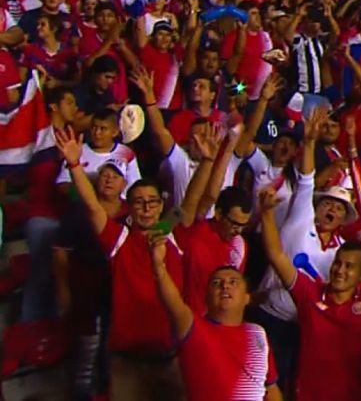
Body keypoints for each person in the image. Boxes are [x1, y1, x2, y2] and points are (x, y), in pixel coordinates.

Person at [56, 125, 186, 400]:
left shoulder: (168, 231)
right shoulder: (119, 238)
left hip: (169, 353)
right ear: (131, 207)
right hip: (126, 356)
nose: (147, 208)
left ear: (161, 206)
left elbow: (195, 201)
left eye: (152, 202)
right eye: (139, 203)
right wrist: (74, 165)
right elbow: (92, 206)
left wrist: (209, 162)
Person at [258, 185, 361, 401]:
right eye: (338, 263)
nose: (340, 270)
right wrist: (266, 214)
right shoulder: (309, 293)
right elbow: (276, 255)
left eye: (349, 267)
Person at [149, 235, 281, 400]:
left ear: (247, 297)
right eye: (216, 283)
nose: (225, 285)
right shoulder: (193, 327)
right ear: (206, 297)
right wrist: (159, 267)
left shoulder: (257, 333)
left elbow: (271, 388)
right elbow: (172, 302)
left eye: (233, 282)